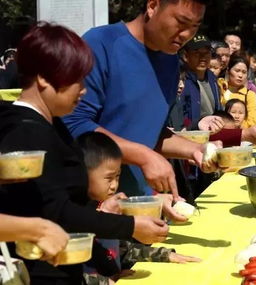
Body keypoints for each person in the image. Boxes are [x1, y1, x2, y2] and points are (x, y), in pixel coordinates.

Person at [0, 22, 167, 285]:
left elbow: (66, 205)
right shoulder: (26, 131)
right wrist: (130, 226)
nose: (84, 89)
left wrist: (107, 259)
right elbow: (56, 211)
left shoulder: (52, 125)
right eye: (77, 78)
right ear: (43, 77)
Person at [62, 0, 216, 201]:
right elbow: (73, 124)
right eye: (181, 22)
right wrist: (142, 156)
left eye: (195, 26)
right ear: (152, 6)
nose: (187, 34)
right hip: (91, 207)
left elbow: (150, 132)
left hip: (139, 205)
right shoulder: (100, 44)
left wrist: (195, 150)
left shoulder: (170, 61)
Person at [76, 132, 200, 285]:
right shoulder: (75, 217)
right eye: (108, 178)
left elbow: (122, 250)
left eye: (117, 177)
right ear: (83, 174)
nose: (114, 185)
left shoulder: (109, 206)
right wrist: (103, 281)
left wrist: (163, 255)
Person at [181, 34, 222, 128]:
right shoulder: (181, 81)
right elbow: (179, 116)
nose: (203, 57)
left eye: (207, 53)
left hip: (214, 133)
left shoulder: (212, 78)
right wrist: (191, 126)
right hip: (191, 135)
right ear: (186, 56)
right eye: (197, 53)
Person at [219, 55, 256, 128]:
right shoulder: (219, 88)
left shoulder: (249, 95)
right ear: (228, 71)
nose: (240, 75)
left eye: (244, 72)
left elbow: (253, 122)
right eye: (237, 71)